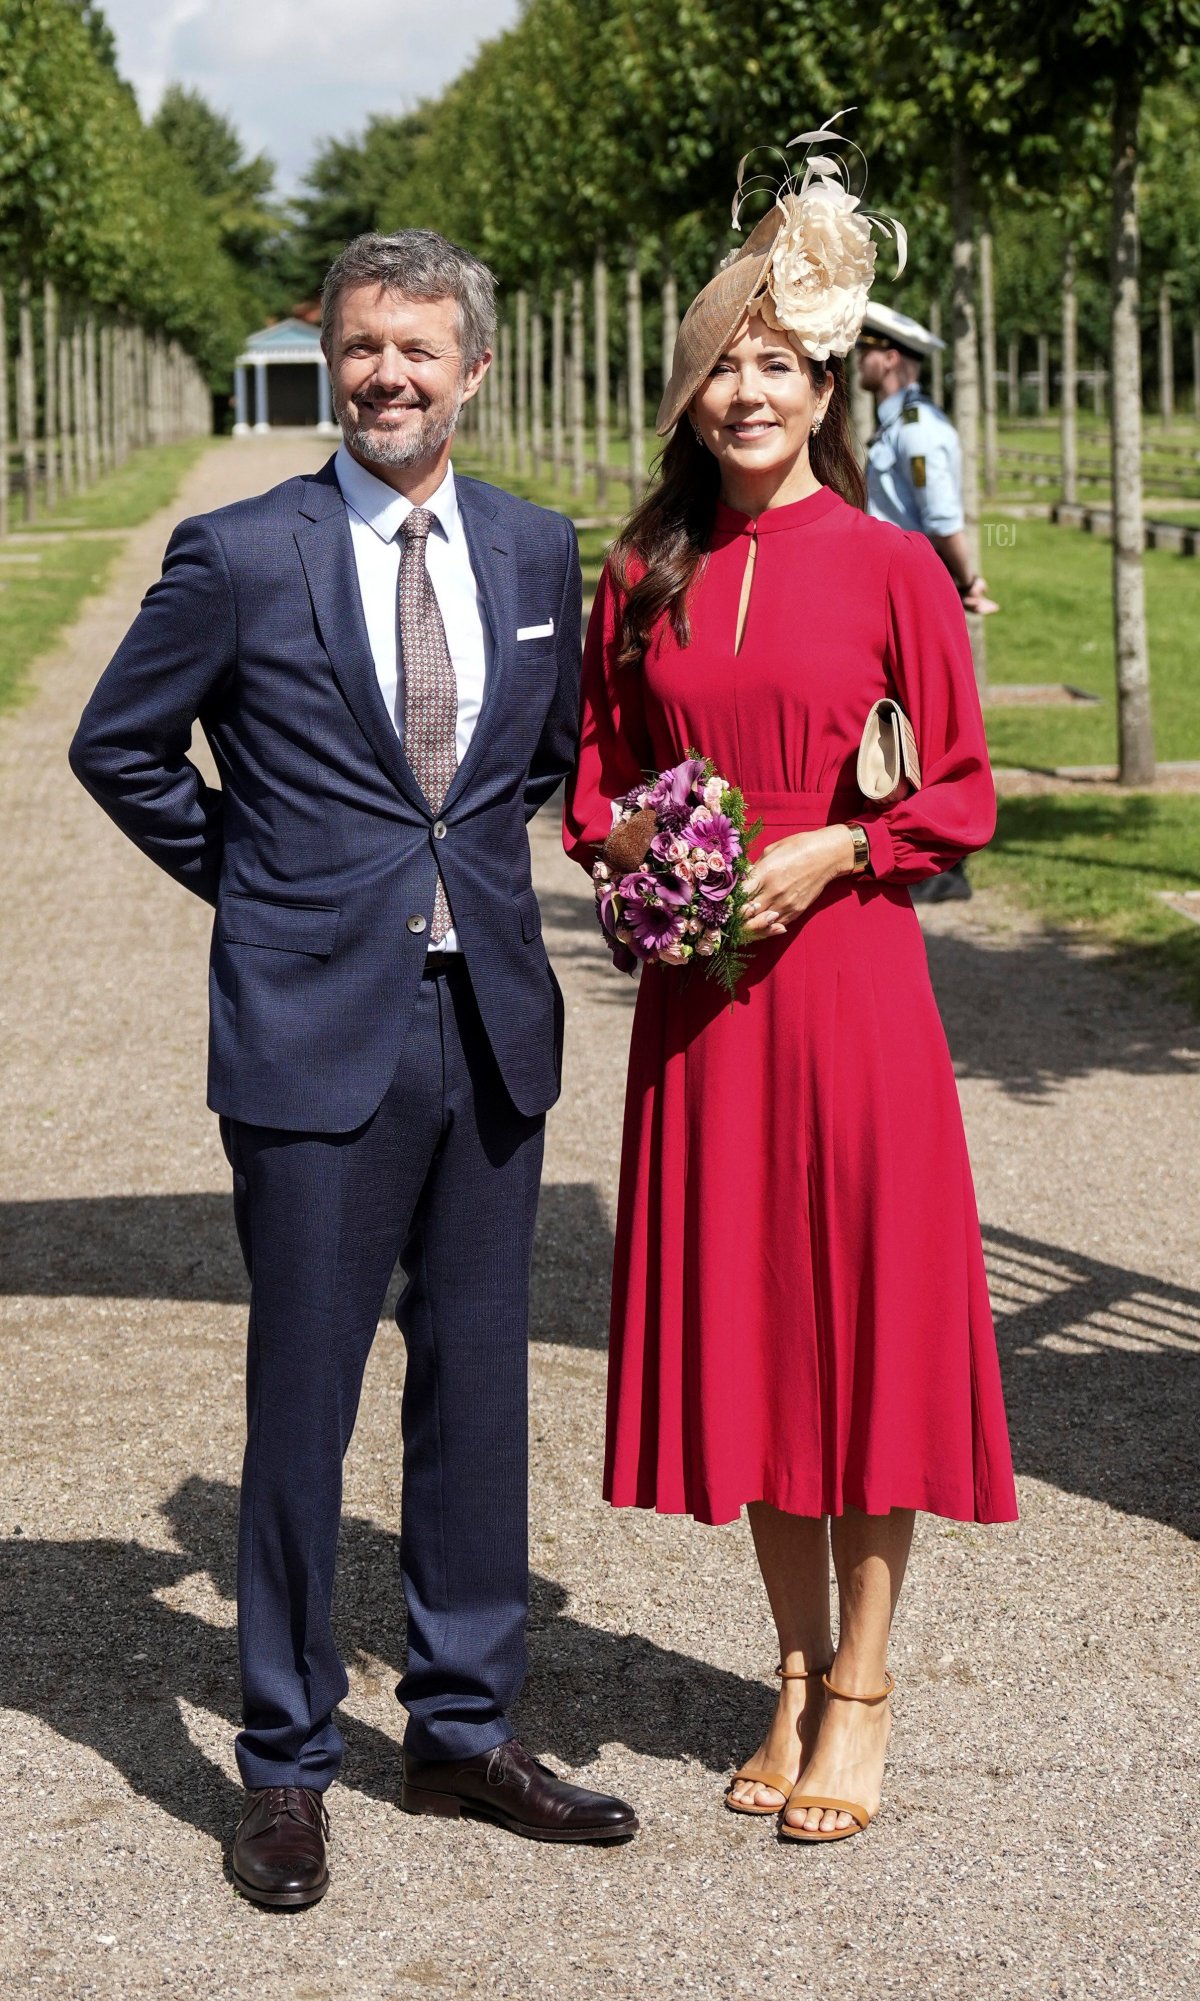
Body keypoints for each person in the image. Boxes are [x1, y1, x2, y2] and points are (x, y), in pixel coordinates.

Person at [70, 229, 637, 1909]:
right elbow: (122, 744)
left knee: (478, 1397)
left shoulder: (540, 550)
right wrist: (265, 882)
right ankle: (285, 1759)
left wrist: (444, 892)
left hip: (490, 1034)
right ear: (333, 356)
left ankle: (463, 1732)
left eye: (419, 348)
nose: (388, 372)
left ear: (475, 369)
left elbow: (535, 761)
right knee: (302, 1407)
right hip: (313, 1035)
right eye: (361, 345)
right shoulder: (243, 552)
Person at [565, 137, 1017, 1845]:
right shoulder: (644, 573)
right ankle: (791, 1656)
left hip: (850, 995)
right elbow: (597, 775)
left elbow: (962, 788)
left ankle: (867, 1686)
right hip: (702, 1008)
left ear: (823, 376)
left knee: (865, 1334)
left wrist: (837, 847)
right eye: (718, 367)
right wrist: (634, 851)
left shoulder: (897, 565)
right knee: (752, 1338)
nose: (744, 391)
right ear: (686, 396)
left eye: (774, 362)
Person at [857, 301, 998, 903]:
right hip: (890, 591)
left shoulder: (916, 430)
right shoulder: (896, 424)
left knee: (932, 723)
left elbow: (942, 519)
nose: (857, 359)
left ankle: (946, 867)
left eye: (866, 350)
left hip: (918, 594)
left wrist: (969, 581)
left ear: (890, 357)